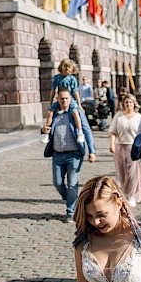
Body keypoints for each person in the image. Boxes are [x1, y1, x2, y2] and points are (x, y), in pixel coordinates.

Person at [41, 89, 87, 222]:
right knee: (58, 182)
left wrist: (92, 151)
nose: (64, 101)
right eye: (62, 99)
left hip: (74, 155)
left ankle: (71, 211)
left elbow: (87, 131)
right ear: (57, 99)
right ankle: (73, 201)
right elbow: (46, 127)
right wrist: (43, 130)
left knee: (72, 184)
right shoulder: (54, 113)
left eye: (67, 98)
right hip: (58, 155)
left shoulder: (75, 113)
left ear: (70, 99)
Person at [109, 96, 141, 206]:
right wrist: (112, 144)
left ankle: (133, 195)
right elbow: (113, 131)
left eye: (130, 102)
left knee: (133, 173)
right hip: (121, 146)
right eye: (126, 102)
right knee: (122, 173)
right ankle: (125, 193)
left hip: (134, 147)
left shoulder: (139, 117)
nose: (128, 104)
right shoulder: (119, 116)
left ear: (134, 104)